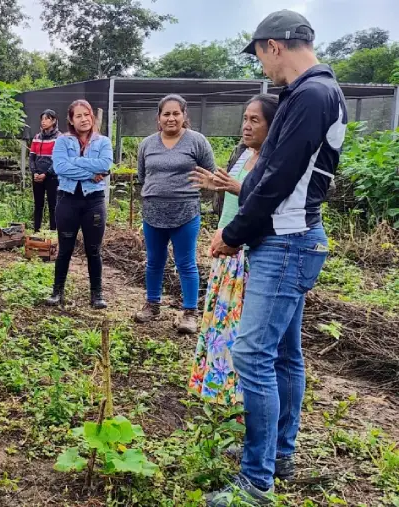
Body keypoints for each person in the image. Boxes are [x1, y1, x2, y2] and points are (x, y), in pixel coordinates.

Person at [206, 11, 346, 506]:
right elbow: (269, 170)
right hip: (292, 238)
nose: (264, 69)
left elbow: (277, 179)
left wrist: (234, 233)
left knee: (252, 355)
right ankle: (278, 452)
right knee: (285, 354)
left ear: (274, 46)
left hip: (287, 241)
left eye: (261, 57)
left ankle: (256, 481)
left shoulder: (311, 95)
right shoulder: (309, 93)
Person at [187, 94, 279, 407]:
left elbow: (264, 202)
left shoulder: (273, 161)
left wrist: (238, 188)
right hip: (227, 250)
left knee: (238, 332)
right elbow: (235, 198)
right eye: (245, 119)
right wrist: (217, 185)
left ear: (273, 125)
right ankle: (219, 392)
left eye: (255, 120)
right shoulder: (244, 155)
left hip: (247, 253)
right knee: (220, 327)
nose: (246, 126)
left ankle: (239, 401)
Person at [134, 95, 216, 334]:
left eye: (175, 113)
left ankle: (190, 312)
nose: (171, 118)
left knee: (186, 263)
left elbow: (210, 174)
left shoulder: (197, 141)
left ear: (184, 116)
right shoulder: (147, 144)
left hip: (186, 211)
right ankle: (152, 304)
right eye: (166, 114)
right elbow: (142, 176)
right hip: (153, 212)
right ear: (158, 118)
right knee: (154, 261)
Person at [45, 100, 113, 309]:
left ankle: (97, 294)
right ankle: (57, 292)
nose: (84, 119)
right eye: (78, 116)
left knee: (94, 249)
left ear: (92, 117)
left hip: (94, 201)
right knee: (65, 248)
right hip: (68, 200)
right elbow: (60, 167)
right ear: (71, 120)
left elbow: (105, 164)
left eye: (87, 115)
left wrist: (75, 161)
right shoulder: (63, 142)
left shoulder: (103, 142)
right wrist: (91, 174)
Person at [29, 109, 60, 232]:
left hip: (52, 177)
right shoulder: (37, 137)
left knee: (53, 205)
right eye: (42, 119)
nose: (43, 122)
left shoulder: (59, 138)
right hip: (37, 177)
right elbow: (31, 157)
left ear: (54, 121)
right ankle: (36, 231)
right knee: (38, 205)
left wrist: (46, 174)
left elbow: (58, 160)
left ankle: (53, 232)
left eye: (47, 119)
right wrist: (34, 172)